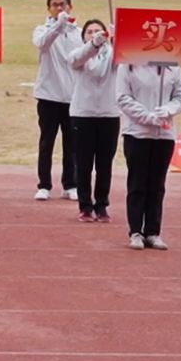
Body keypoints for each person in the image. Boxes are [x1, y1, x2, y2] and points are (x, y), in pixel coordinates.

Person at [117, 58, 181, 250]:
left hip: (164, 134)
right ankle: (135, 232)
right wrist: (147, 117)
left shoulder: (172, 67)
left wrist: (166, 111)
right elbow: (123, 98)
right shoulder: (128, 65)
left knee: (157, 185)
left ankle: (153, 232)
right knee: (137, 183)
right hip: (137, 133)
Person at [68, 19, 120, 223]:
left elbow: (125, 62)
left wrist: (118, 39)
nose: (94, 34)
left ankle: (102, 204)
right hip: (83, 114)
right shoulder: (79, 53)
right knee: (83, 163)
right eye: (89, 31)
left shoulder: (114, 54)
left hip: (109, 114)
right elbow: (75, 61)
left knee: (105, 164)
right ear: (84, 37)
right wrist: (93, 45)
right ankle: (85, 205)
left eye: (98, 31)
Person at [31, 0, 79, 204]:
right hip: (49, 96)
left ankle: (70, 184)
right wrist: (58, 25)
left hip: (73, 97)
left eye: (63, 4)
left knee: (72, 144)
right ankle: (44, 185)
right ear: (49, 9)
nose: (59, 8)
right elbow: (43, 43)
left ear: (70, 7)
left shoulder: (78, 33)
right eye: (55, 5)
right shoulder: (42, 30)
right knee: (47, 142)